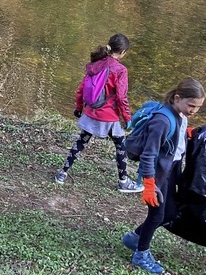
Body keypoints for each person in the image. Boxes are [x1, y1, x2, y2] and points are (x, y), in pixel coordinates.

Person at [121, 77, 206, 274]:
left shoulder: (180, 115)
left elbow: (175, 136)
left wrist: (187, 134)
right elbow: (149, 154)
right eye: (191, 105)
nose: (194, 110)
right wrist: (149, 185)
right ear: (177, 98)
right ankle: (141, 254)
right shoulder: (162, 120)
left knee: (169, 213)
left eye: (198, 107)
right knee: (157, 214)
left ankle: (134, 239)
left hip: (171, 170)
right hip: (157, 176)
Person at [55, 33, 142, 193]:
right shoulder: (120, 70)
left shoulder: (97, 64)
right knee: (120, 146)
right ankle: (123, 181)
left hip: (91, 112)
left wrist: (79, 107)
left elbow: (82, 88)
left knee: (81, 142)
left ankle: (62, 173)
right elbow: (122, 97)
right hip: (109, 116)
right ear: (123, 52)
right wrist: (127, 118)